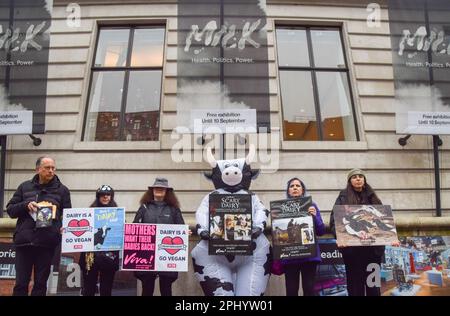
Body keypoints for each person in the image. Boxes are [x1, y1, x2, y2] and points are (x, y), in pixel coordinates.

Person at [6, 156, 71, 296]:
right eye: (47, 168)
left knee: (41, 285)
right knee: (21, 284)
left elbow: (68, 215)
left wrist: (63, 227)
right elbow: (10, 210)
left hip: (47, 243)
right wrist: (25, 205)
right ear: (37, 169)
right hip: (25, 242)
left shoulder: (63, 190)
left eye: (53, 168)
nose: (51, 171)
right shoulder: (24, 187)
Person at [329, 168, 384, 296]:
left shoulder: (373, 197)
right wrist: (340, 237)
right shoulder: (343, 197)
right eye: (354, 177)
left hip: (373, 252)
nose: (358, 178)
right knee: (355, 287)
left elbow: (382, 221)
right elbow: (334, 220)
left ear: (364, 180)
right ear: (350, 181)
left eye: (360, 176)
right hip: (352, 253)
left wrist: (391, 237)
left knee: (373, 286)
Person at [132, 177, 186, 296]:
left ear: (167, 191)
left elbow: (181, 227)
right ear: (152, 190)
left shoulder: (174, 209)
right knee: (147, 289)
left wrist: (185, 233)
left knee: (166, 289)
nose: (159, 190)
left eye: (162, 188)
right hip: (147, 253)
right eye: (156, 188)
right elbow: (135, 227)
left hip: (167, 253)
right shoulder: (144, 207)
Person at [281, 177, 325, 296]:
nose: (295, 188)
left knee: (309, 290)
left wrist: (315, 216)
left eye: (298, 186)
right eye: (292, 186)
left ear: (303, 190)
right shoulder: (281, 208)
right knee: (291, 291)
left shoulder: (312, 205)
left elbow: (321, 231)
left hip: (309, 257)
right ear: (288, 191)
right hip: (290, 256)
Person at [79, 185, 120, 296]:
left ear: (112, 197)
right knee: (88, 289)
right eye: (102, 195)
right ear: (98, 197)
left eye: (108, 195)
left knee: (106, 290)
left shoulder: (118, 215)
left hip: (109, 257)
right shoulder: (88, 213)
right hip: (90, 257)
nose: (105, 197)